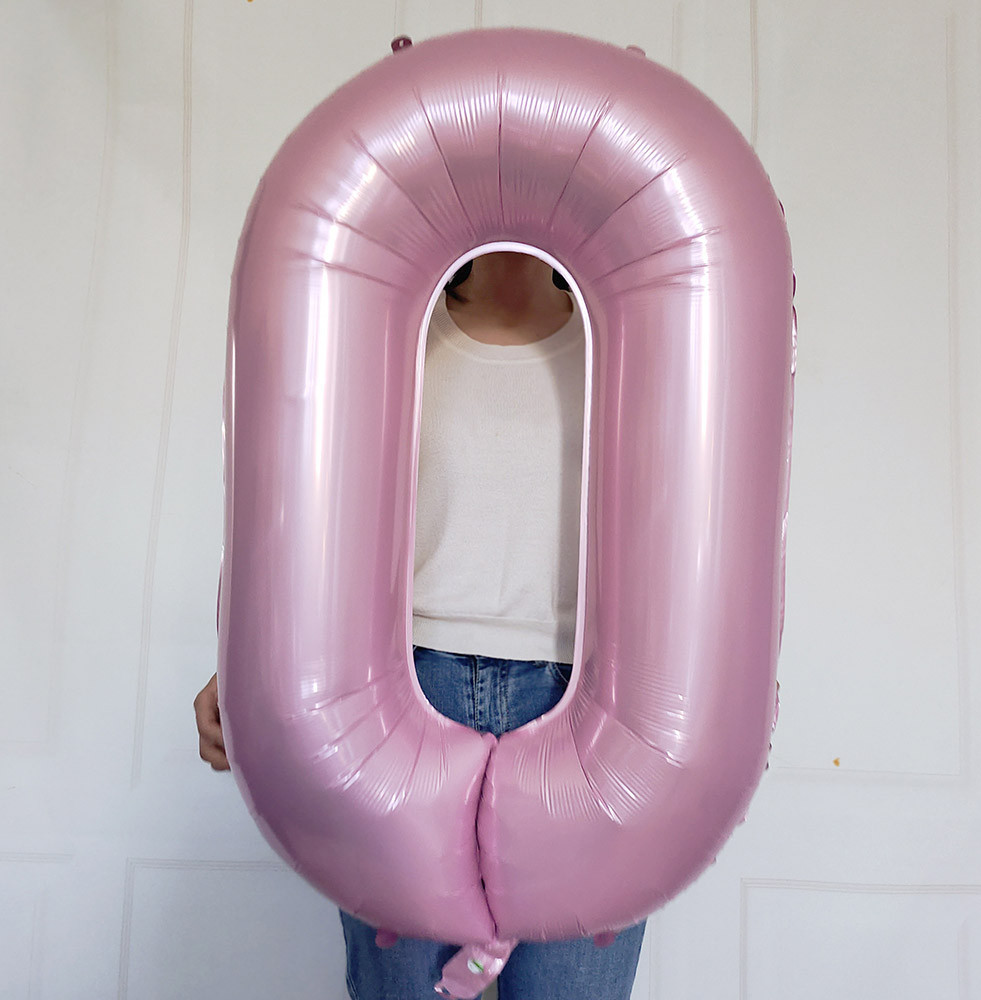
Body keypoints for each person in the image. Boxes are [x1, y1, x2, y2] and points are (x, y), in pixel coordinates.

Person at [194, 251, 646, 999]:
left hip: (581, 704)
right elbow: (312, 506)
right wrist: (243, 657)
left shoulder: (622, 339)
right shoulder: (393, 329)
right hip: (402, 693)